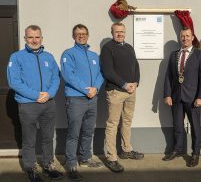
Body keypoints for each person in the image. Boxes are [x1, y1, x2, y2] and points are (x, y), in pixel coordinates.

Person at [7, 25, 63, 182]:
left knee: (47, 137)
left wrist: (50, 94)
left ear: (41, 38)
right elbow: (14, 82)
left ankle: (48, 165)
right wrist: (36, 95)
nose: (34, 40)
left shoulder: (49, 57)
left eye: (37, 37)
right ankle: (31, 168)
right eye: (30, 37)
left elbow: (56, 78)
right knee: (29, 139)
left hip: (48, 103)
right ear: (25, 39)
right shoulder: (16, 57)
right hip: (28, 104)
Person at [61, 24, 104, 181]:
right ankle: (71, 163)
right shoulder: (68, 54)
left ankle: (85, 158)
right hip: (76, 98)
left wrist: (96, 89)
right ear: (73, 36)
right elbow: (68, 75)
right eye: (78, 34)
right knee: (74, 132)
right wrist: (86, 90)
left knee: (88, 130)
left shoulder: (94, 56)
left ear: (88, 35)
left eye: (84, 33)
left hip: (92, 98)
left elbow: (101, 73)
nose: (81, 36)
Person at [101, 22, 143, 173]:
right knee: (112, 124)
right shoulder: (107, 48)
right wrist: (124, 84)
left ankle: (126, 149)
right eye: (117, 32)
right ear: (112, 32)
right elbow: (108, 71)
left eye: (122, 32)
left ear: (125, 32)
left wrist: (136, 82)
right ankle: (112, 158)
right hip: (116, 91)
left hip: (131, 90)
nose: (120, 34)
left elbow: (136, 66)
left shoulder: (129, 47)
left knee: (127, 121)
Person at [163, 27, 201, 167]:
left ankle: (195, 154)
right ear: (180, 38)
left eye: (187, 36)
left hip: (193, 98)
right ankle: (177, 149)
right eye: (182, 36)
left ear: (192, 37)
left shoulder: (200, 55)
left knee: (195, 127)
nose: (185, 38)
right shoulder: (173, 55)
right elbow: (168, 77)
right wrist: (167, 94)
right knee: (177, 125)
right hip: (176, 97)